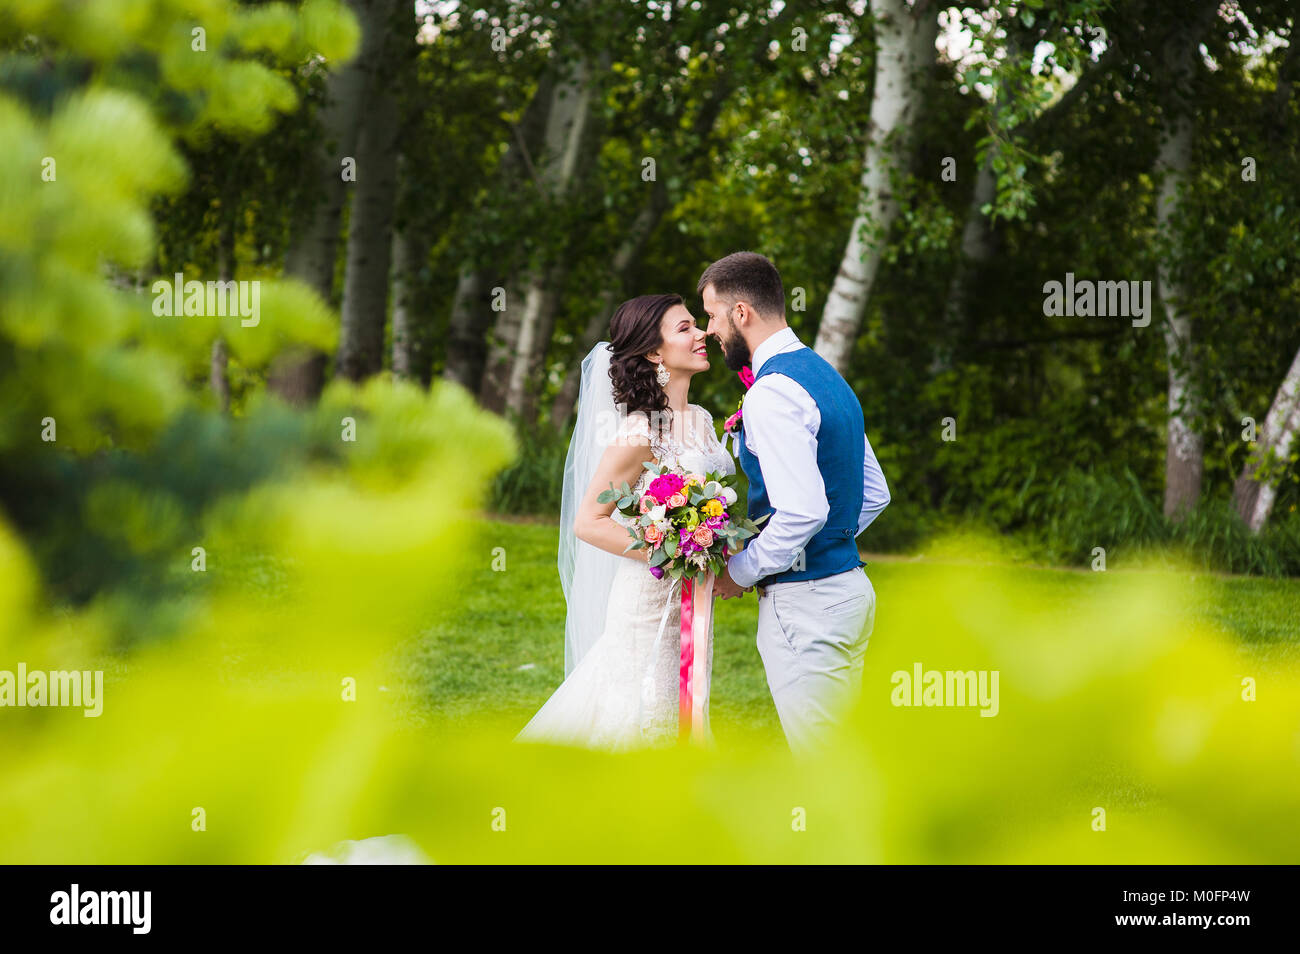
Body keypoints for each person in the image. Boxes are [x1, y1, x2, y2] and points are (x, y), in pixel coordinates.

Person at [515, 293, 734, 751]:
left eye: (698, 324)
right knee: (643, 713)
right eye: (685, 329)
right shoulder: (640, 431)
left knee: (685, 707)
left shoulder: (702, 420)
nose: (702, 335)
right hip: (648, 600)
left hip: (693, 601)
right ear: (655, 353)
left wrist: (714, 545)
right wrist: (674, 549)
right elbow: (589, 521)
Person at [700, 251, 890, 758]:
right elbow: (873, 494)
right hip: (851, 592)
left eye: (713, 315)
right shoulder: (826, 375)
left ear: (741, 312)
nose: (710, 330)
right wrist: (832, 544)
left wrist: (740, 571)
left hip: (805, 605)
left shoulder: (770, 394)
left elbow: (803, 510)